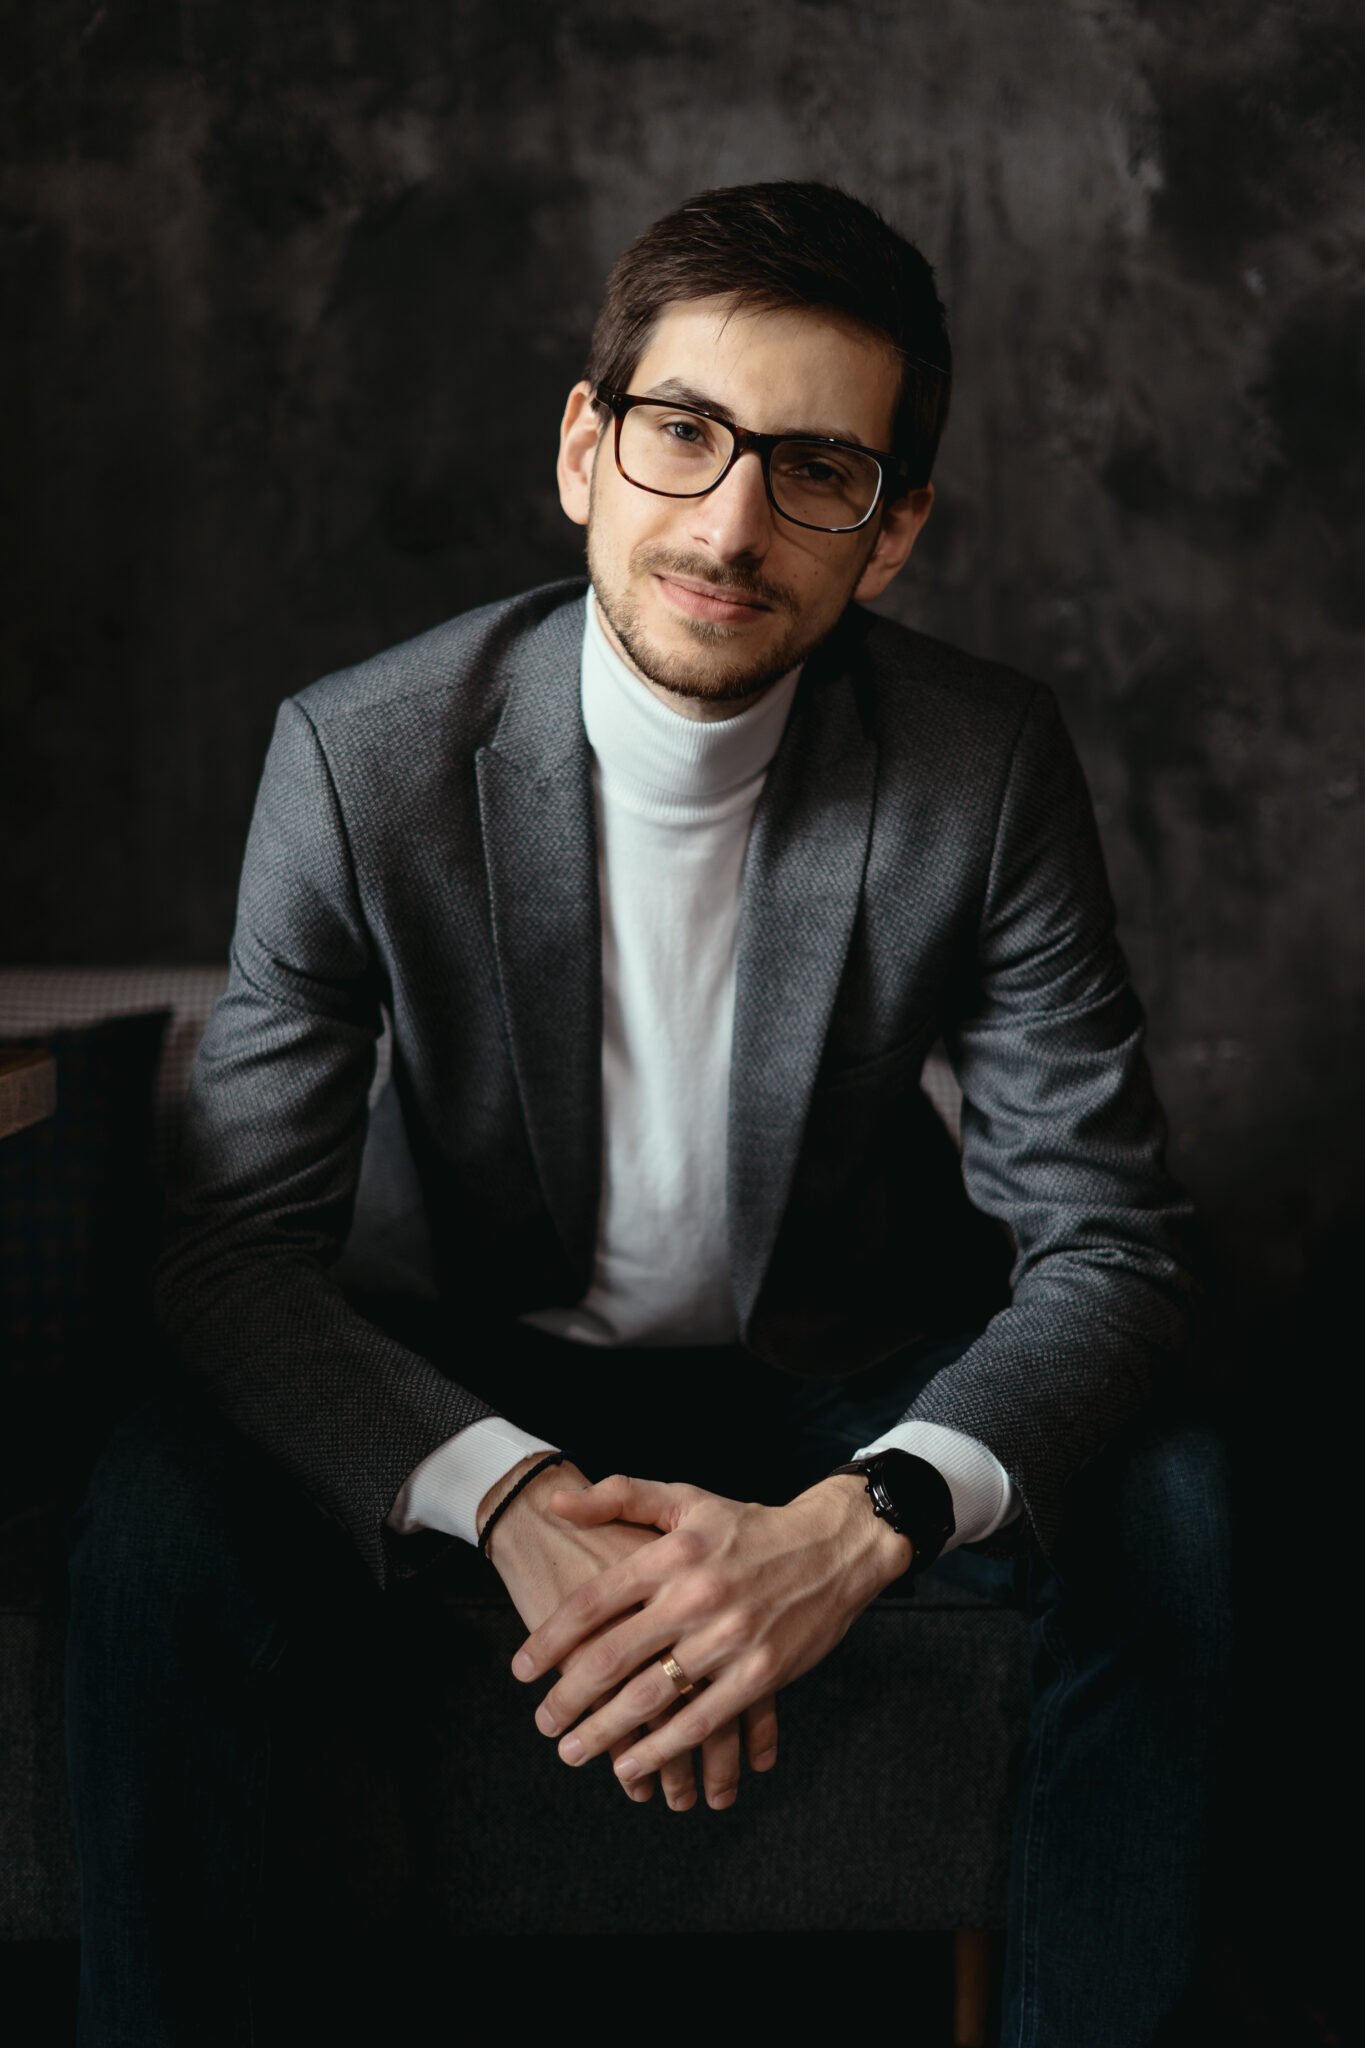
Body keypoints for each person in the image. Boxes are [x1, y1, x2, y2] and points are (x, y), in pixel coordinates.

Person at [65, 180, 1232, 2045]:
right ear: (581, 449)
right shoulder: (361, 755)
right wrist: (504, 1497)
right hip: (464, 1348)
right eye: (682, 432)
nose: (730, 523)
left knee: (1170, 1498)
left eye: (816, 470)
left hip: (837, 1361)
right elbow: (230, 1256)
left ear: (894, 532)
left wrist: (856, 1527)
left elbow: (1108, 1246)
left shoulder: (981, 762)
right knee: (152, 1512)